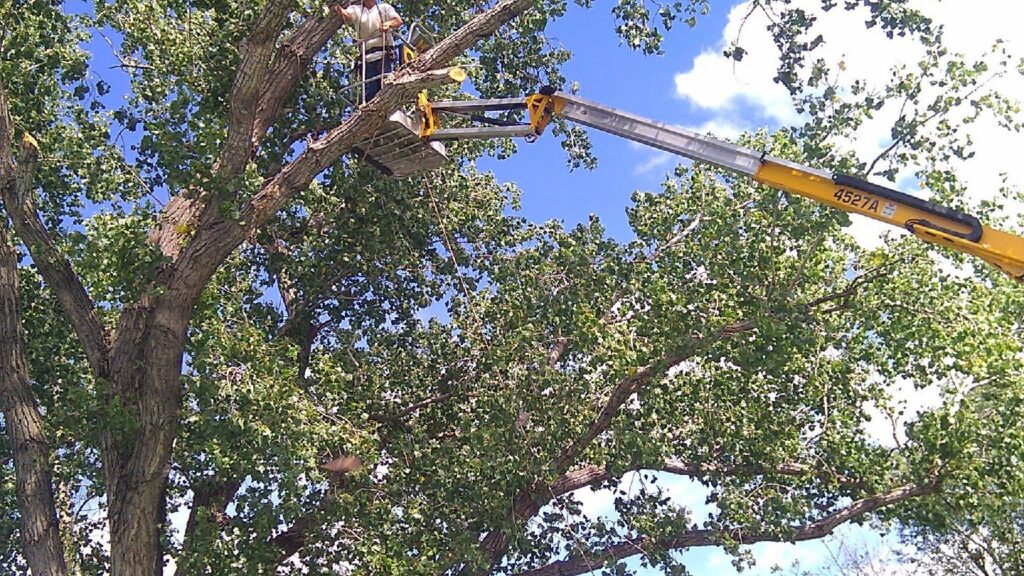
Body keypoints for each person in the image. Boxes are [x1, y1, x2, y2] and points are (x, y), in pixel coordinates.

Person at [332, 0, 403, 103]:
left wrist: (388, 24)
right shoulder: (357, 9)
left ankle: (391, 110)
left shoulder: (384, 8)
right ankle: (373, 115)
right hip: (366, 58)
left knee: (387, 86)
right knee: (370, 93)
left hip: (384, 54)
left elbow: (398, 21)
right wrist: (337, 7)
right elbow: (347, 16)